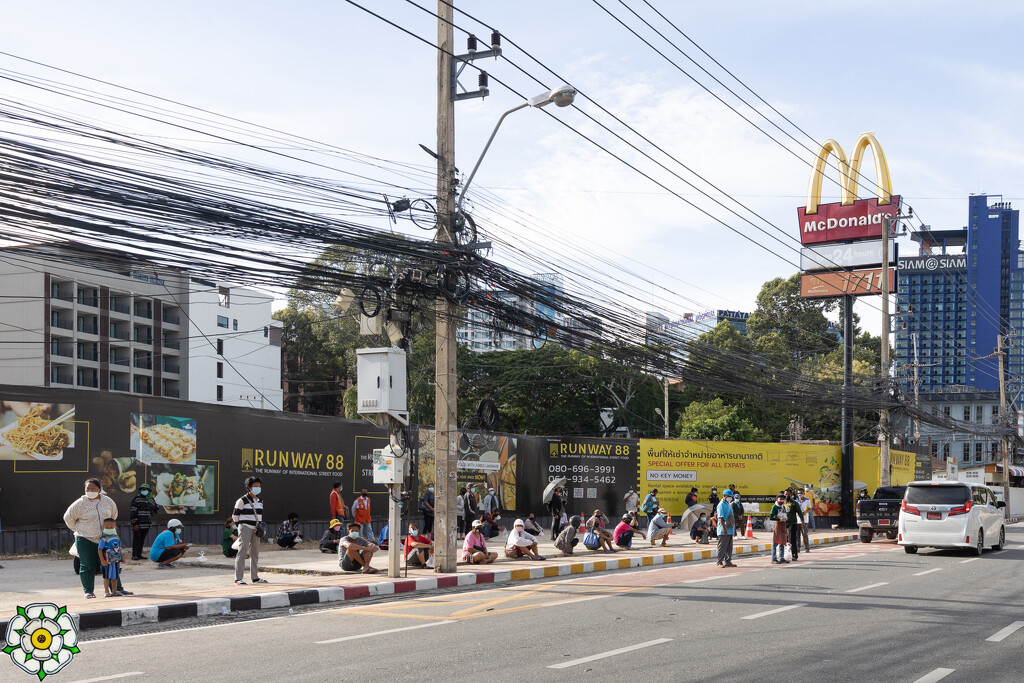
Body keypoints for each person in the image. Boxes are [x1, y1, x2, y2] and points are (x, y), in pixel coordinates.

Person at [64, 478, 123, 598]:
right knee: (87, 565)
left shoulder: (108, 501)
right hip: (85, 539)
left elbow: (114, 515)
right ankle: (89, 591)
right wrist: (78, 531)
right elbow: (68, 518)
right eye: (87, 489)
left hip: (106, 539)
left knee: (111, 562)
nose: (90, 491)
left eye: (93, 488)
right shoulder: (79, 503)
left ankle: (117, 589)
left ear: (99, 489)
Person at [232, 476, 268, 586]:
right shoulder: (242, 500)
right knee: (242, 552)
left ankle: (255, 577)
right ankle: (238, 578)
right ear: (249, 487)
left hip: (257, 528)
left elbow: (260, 515)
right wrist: (241, 526)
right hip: (245, 527)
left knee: (255, 552)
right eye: (255, 486)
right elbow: (235, 516)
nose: (258, 488)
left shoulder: (260, 500)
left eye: (259, 486)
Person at [128, 483, 159, 561]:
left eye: (145, 489)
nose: (144, 491)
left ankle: (139, 554)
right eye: (142, 489)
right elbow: (133, 512)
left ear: (148, 491)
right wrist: (134, 523)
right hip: (138, 524)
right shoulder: (136, 499)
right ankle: (134, 555)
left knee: (142, 540)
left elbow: (156, 508)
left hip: (147, 524)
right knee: (136, 539)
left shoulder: (151, 500)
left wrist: (151, 514)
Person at [97, 518, 125, 597]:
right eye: (107, 527)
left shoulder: (117, 538)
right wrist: (102, 560)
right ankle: (106, 591)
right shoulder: (103, 539)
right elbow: (99, 550)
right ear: (103, 528)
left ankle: (114, 591)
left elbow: (119, 548)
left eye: (111, 527)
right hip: (107, 561)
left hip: (116, 560)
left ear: (115, 527)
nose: (109, 529)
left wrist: (122, 558)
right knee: (106, 576)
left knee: (115, 576)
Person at [716, 489, 737, 567]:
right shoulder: (721, 504)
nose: (730, 498)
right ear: (724, 496)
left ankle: (728, 561)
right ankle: (719, 562)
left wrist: (734, 530)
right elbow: (720, 518)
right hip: (724, 529)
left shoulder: (729, 504)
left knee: (729, 547)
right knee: (722, 547)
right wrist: (723, 528)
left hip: (730, 528)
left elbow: (732, 517)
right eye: (729, 496)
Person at [769, 493, 789, 564]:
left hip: (783, 525)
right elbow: (771, 517)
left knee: (782, 542)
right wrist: (778, 519)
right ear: (777, 499)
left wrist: (785, 518)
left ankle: (781, 557)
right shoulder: (774, 507)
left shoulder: (783, 507)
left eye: (783, 499)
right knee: (775, 542)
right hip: (777, 525)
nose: (781, 500)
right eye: (780, 499)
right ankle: (773, 558)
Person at [785, 489, 802, 562]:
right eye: (785, 494)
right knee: (785, 540)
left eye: (788, 494)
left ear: (791, 495)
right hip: (784, 524)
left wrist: (803, 522)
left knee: (792, 540)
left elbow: (800, 512)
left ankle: (794, 555)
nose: (787, 496)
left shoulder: (794, 503)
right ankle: (785, 555)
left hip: (792, 523)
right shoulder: (782, 503)